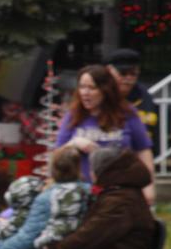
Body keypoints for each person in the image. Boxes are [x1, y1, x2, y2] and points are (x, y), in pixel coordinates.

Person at [56, 64, 154, 205]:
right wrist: (74, 144)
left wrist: (148, 186)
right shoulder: (74, 115)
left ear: (106, 90)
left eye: (92, 88)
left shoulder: (127, 114)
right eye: (82, 87)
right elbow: (57, 154)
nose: (85, 92)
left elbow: (143, 150)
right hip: (82, 194)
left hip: (121, 192)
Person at [105, 47, 158, 155]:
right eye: (123, 73)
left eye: (133, 73)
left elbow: (153, 135)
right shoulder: (100, 97)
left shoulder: (145, 97)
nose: (128, 78)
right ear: (109, 71)